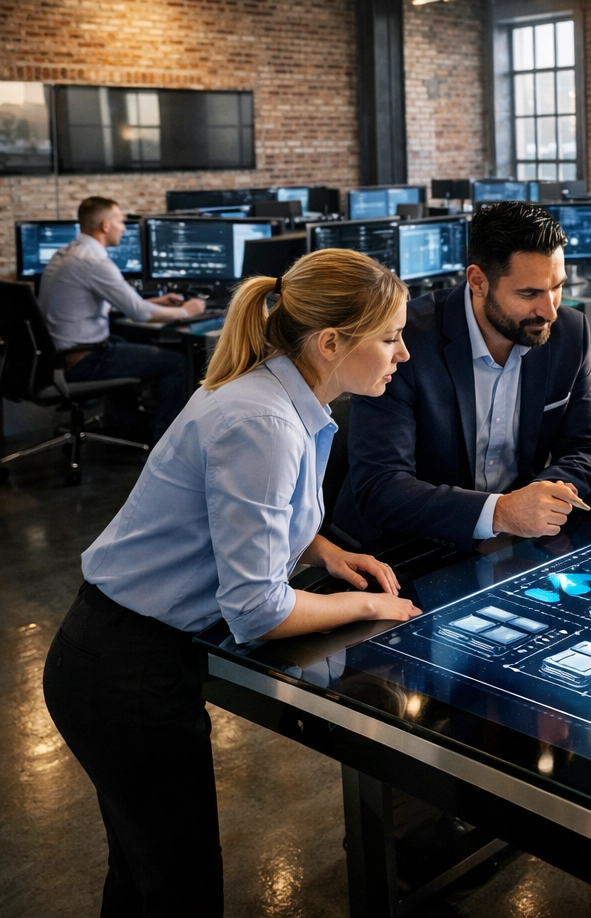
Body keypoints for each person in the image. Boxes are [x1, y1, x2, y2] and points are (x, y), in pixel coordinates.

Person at [43, 249, 421, 915]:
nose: (404, 353)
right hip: (124, 669)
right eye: (390, 337)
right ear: (332, 343)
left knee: (143, 879)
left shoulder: (276, 397)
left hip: (121, 654)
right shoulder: (263, 421)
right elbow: (258, 611)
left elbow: (249, 510)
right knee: (181, 889)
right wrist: (364, 604)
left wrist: (324, 550)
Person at [334, 200, 591, 554]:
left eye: (556, 287)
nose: (550, 309)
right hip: (403, 548)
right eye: (529, 294)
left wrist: (532, 504)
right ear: (478, 281)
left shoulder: (569, 332)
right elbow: (381, 486)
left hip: (512, 543)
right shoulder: (404, 340)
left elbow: (588, 447)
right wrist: (498, 514)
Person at [38, 196, 208, 439]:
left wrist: (152, 301)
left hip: (61, 356)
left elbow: (109, 303)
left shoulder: (67, 254)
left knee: (126, 342)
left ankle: (128, 427)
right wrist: (187, 311)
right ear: (105, 225)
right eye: (120, 220)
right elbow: (138, 314)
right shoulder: (94, 262)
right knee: (176, 362)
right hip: (83, 359)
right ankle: (167, 443)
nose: (124, 227)